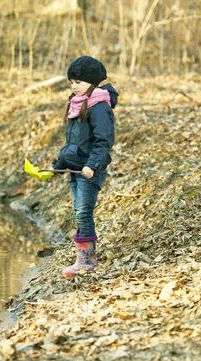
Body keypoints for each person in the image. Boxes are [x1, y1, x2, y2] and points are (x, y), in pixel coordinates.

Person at [51, 56, 119, 278]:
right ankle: (83, 257)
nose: (73, 86)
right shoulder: (76, 104)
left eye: (78, 82)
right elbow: (73, 144)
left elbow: (104, 141)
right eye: (71, 82)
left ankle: (87, 261)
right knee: (78, 212)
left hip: (89, 170)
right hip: (74, 168)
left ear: (91, 83)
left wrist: (93, 164)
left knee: (83, 212)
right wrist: (58, 165)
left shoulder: (99, 107)